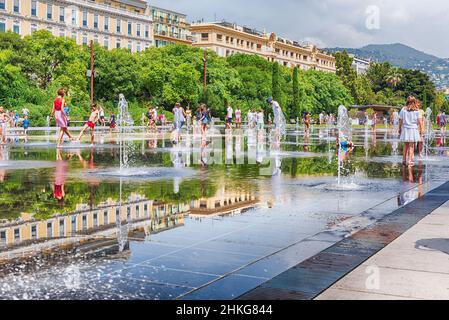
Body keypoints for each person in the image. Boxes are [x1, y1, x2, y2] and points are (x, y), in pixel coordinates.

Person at [399, 96, 424, 166]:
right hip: (413, 129)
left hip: (406, 129)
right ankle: (409, 160)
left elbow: (400, 120)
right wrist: (422, 129)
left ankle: (404, 160)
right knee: (411, 145)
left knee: (405, 145)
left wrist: (399, 128)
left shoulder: (403, 109)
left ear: (407, 101)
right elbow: (420, 121)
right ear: (414, 101)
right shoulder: (417, 110)